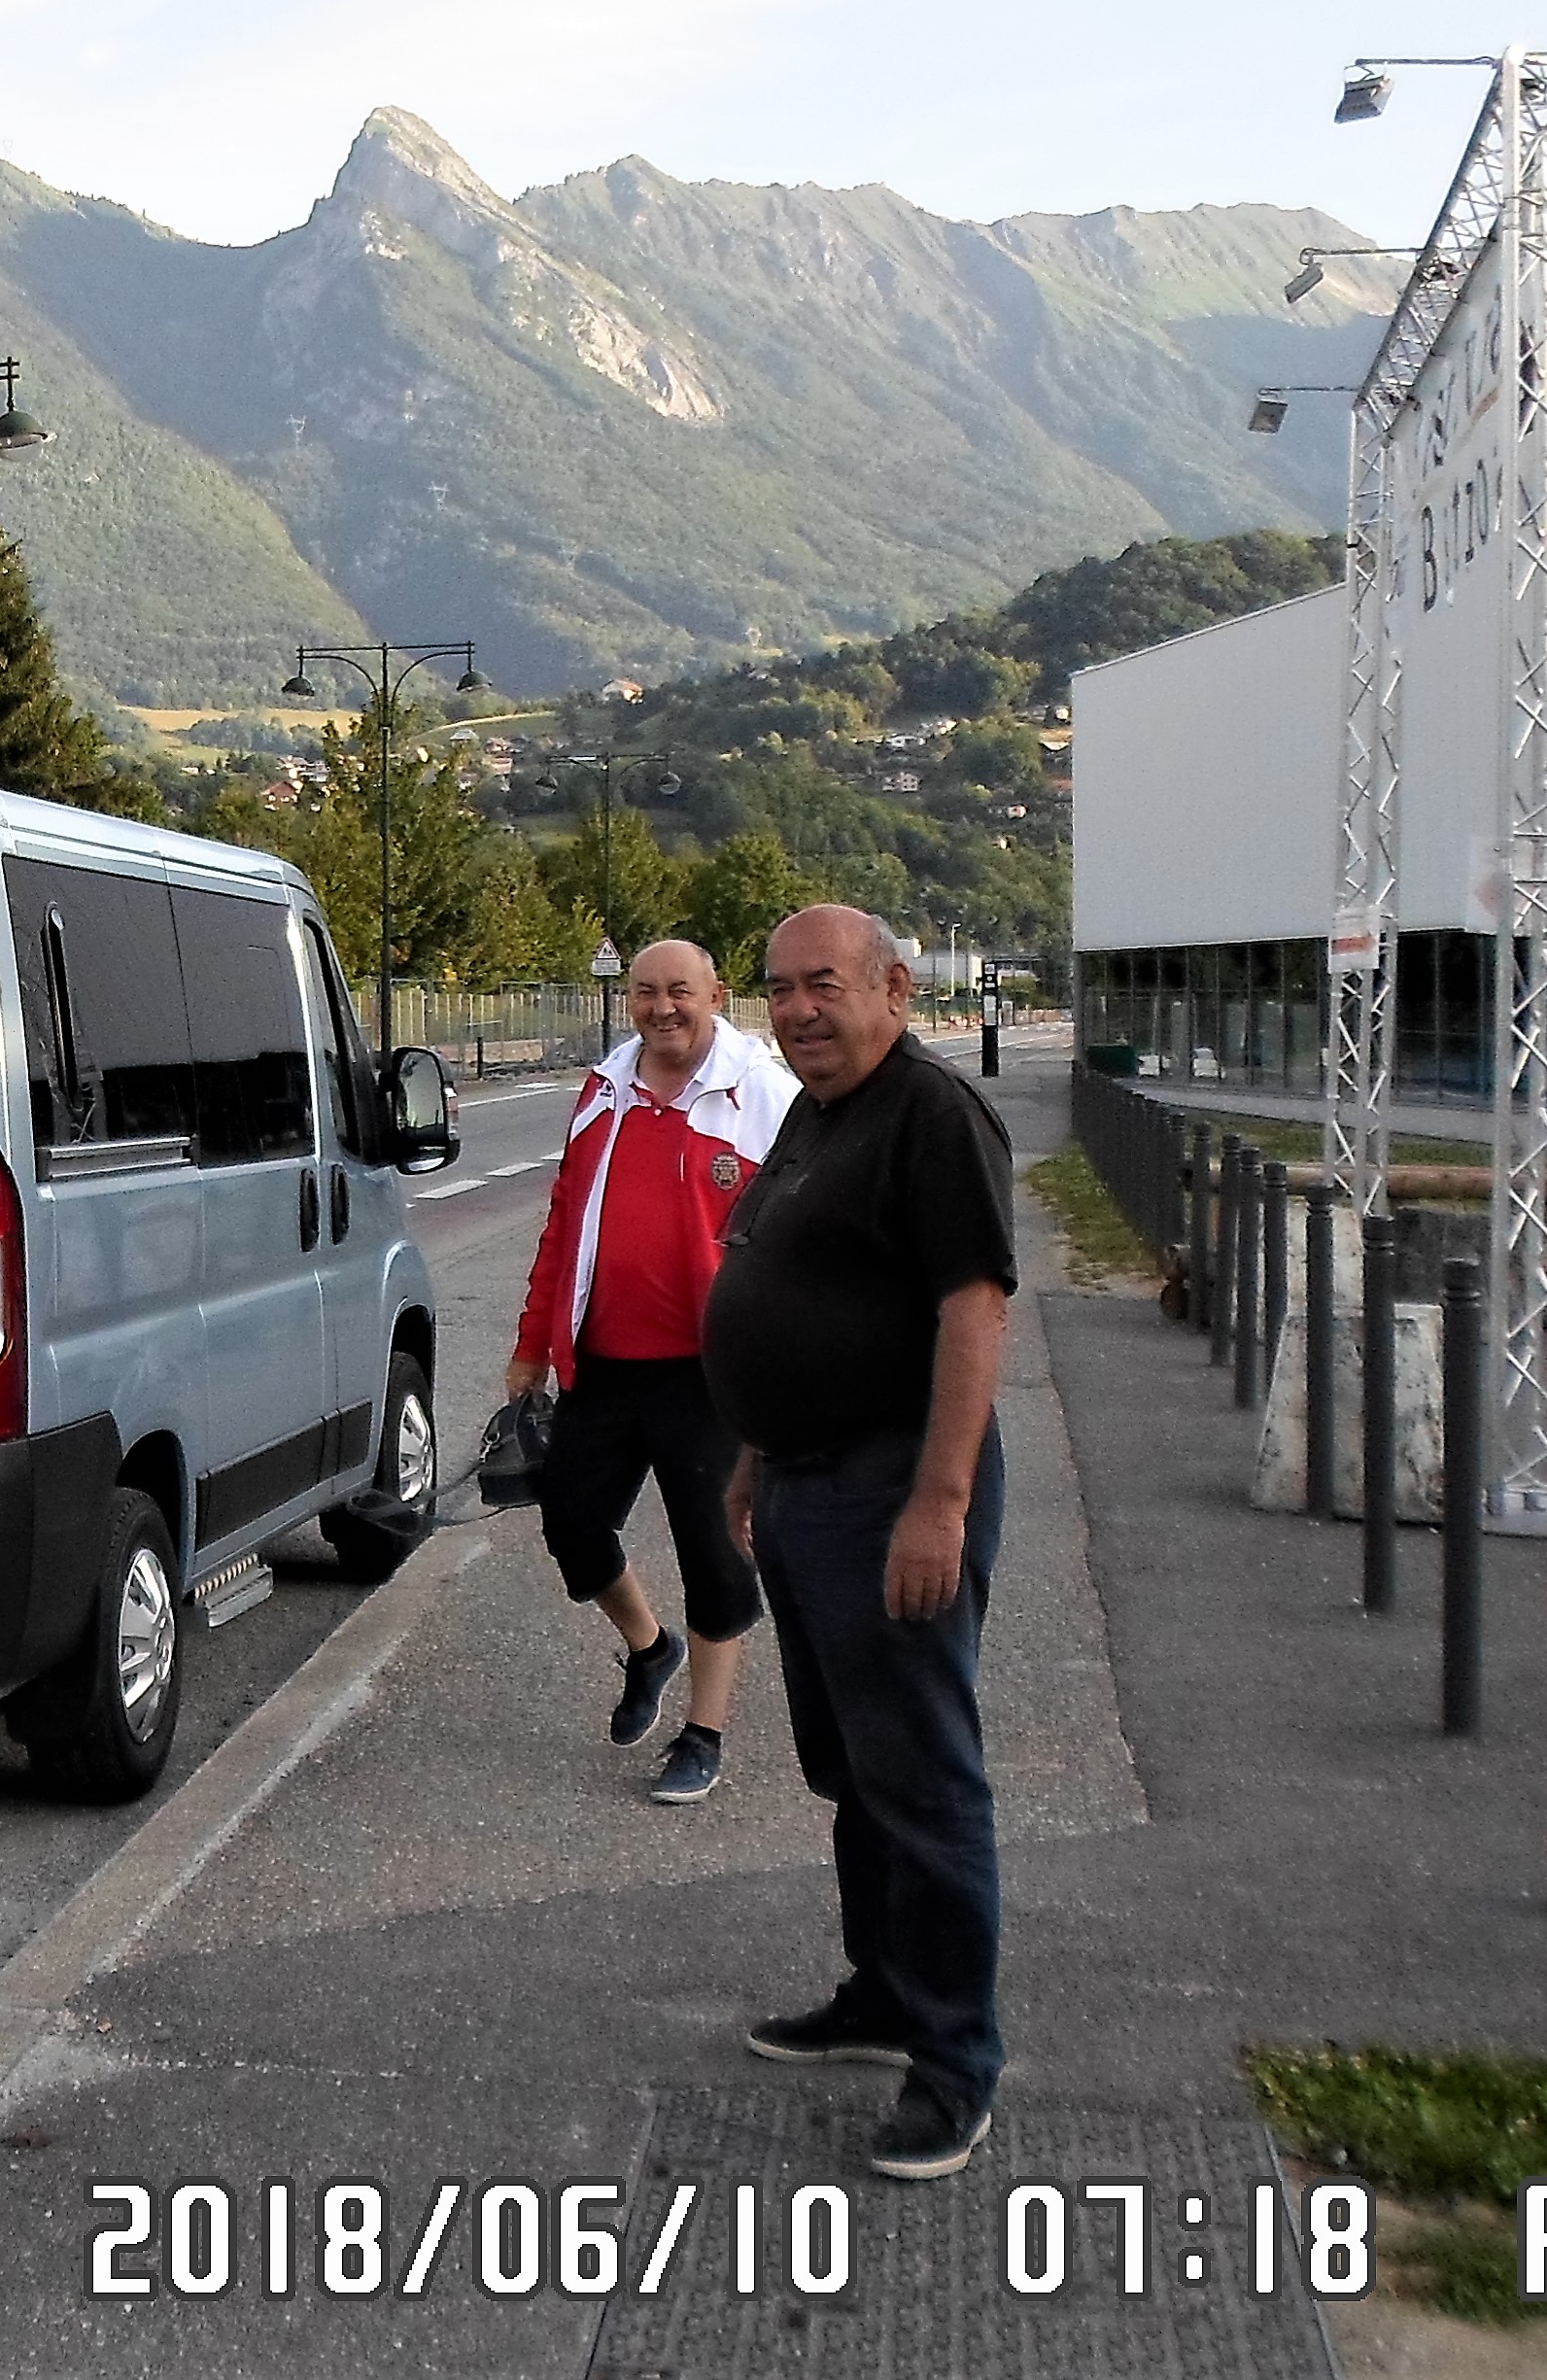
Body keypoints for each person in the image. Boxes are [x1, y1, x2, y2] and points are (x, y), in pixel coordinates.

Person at [707, 905, 1014, 2183]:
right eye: (776, 989)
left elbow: (970, 1313)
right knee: (850, 1768)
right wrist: (752, 1451)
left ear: (892, 985)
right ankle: (880, 1992)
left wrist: (936, 1503)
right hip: (802, 1486)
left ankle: (953, 2064)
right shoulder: (813, 1113)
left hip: (891, 1487)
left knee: (922, 1779)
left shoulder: (934, 1115)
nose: (792, 1011)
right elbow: (786, 1281)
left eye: (819, 986)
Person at [507, 939, 797, 1805]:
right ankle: (648, 1646)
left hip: (711, 1376)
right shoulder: (602, 1093)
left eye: (680, 991)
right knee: (571, 1526)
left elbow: (799, 1242)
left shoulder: (765, 1098)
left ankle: (703, 1732)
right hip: (601, 1363)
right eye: (645, 992)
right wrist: (531, 1345)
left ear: (717, 994)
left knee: (716, 1552)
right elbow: (564, 1224)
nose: (662, 1007)